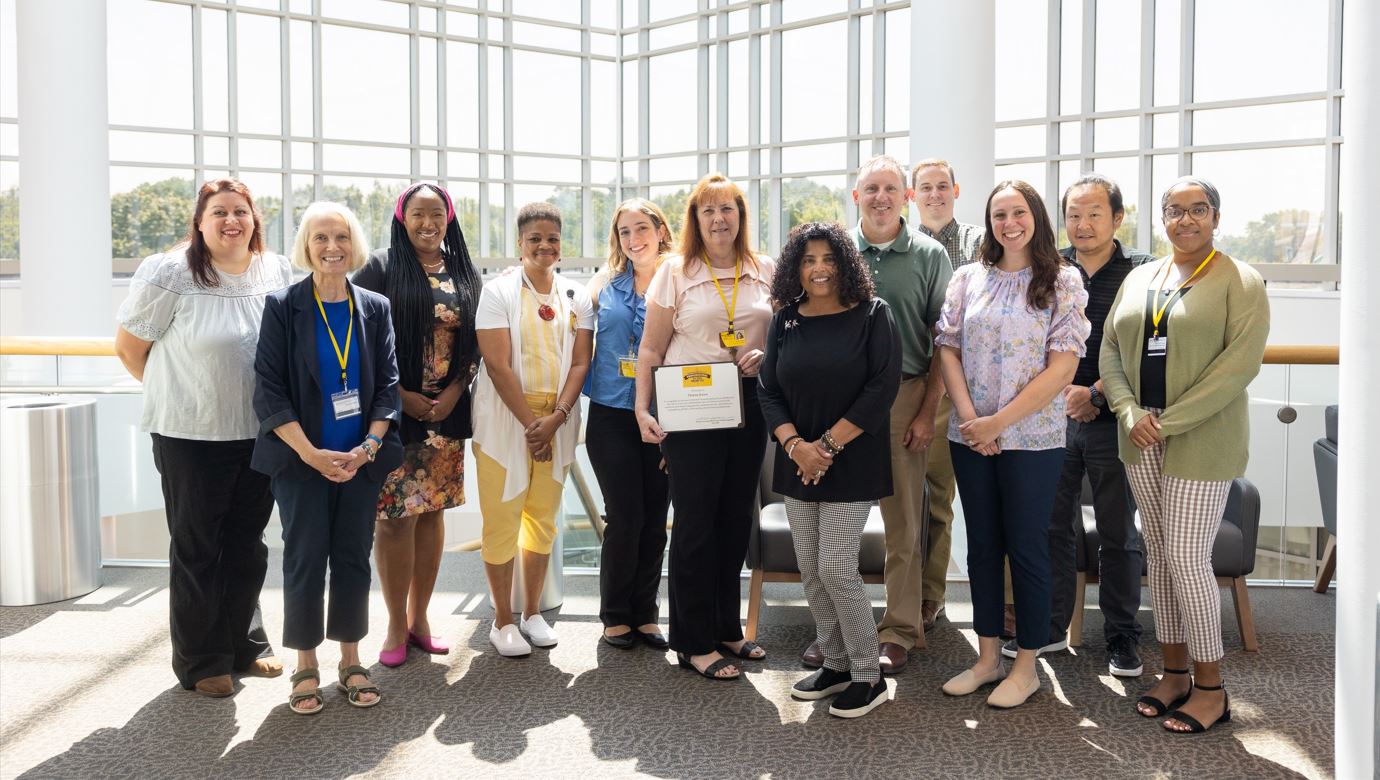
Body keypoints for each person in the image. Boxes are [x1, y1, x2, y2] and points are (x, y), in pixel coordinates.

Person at [1101, 176, 1269, 733]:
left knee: (1189, 559)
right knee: (1161, 552)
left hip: (1200, 438)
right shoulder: (1141, 276)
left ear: (1216, 218)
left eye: (1198, 209)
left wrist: (1167, 421)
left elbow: (1236, 369)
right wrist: (1128, 412)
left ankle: (1211, 688)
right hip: (1140, 435)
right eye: (1175, 210)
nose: (1186, 220)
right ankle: (1173, 674)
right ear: (1162, 218)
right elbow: (1108, 349)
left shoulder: (1238, 281)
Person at [114, 178, 293, 698]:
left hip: (259, 433)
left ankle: (247, 643)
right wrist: (179, 392)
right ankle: (201, 660)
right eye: (219, 212)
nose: (231, 220)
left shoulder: (275, 269)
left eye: (241, 211)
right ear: (200, 221)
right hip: (189, 434)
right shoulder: (171, 272)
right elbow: (130, 348)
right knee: (198, 547)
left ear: (254, 219)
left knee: (248, 544)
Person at [935, 180, 1090, 709]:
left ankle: (1026, 666)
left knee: (1026, 547)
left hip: (1032, 439)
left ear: (1036, 217)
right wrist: (971, 417)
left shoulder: (1063, 280)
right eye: (999, 214)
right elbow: (948, 349)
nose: (1009, 223)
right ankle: (987, 658)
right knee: (981, 546)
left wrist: (999, 420)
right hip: (971, 434)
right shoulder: (967, 278)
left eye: (1018, 212)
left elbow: (1064, 366)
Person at [252, 201, 403, 714]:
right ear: (306, 246)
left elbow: (388, 387)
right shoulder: (282, 307)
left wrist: (368, 449)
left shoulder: (375, 307)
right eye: (320, 238)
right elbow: (270, 391)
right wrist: (312, 454)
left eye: (340, 236)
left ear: (353, 244)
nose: (332, 247)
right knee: (304, 558)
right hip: (301, 461)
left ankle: (351, 659)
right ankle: (305, 664)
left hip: (360, 462)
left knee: (352, 558)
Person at [1000, 173, 1155, 674]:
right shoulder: (1048, 267)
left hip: (1115, 419)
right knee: (1051, 527)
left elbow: (1142, 349)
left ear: (1118, 217)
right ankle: (1047, 628)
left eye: (1094, 214)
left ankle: (1121, 637)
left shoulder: (1142, 272)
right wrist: (1065, 395)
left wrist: (1093, 393)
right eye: (1073, 215)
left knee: (1118, 532)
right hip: (1051, 418)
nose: (1083, 224)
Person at [635, 173, 774, 681]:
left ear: (741, 217)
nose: (719, 219)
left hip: (748, 403)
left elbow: (782, 336)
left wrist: (767, 355)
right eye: (708, 211)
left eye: (728, 210)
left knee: (736, 518)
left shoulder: (765, 270)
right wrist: (642, 410)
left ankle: (725, 627)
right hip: (690, 404)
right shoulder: (675, 272)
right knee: (695, 521)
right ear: (695, 220)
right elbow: (650, 348)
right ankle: (693, 641)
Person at [760, 222, 901, 718]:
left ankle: (869, 673)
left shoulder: (873, 315)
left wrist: (825, 446)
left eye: (827, 259)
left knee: (836, 566)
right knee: (812, 572)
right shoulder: (785, 321)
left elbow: (882, 388)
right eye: (807, 260)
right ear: (795, 268)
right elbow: (768, 391)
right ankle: (836, 663)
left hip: (852, 462)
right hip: (798, 463)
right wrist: (796, 446)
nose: (818, 269)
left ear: (844, 262)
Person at [352, 183, 482, 667]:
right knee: (392, 522)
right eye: (418, 214)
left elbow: (475, 344)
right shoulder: (381, 267)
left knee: (432, 515)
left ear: (449, 218)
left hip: (446, 416)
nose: (428, 223)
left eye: (437, 214)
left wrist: (452, 393)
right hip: (393, 415)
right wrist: (402, 397)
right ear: (401, 218)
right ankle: (392, 622)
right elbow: (359, 341)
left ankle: (420, 617)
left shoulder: (463, 270)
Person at [832, 155, 951, 674]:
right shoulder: (834, 255)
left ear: (906, 197)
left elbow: (945, 343)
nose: (880, 197)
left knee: (903, 521)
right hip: (841, 403)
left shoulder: (928, 255)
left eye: (890, 188)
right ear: (856, 197)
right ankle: (835, 626)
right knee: (836, 519)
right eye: (870, 189)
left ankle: (901, 628)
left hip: (904, 398)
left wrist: (928, 411)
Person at [472, 202, 594, 657]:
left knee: (542, 520)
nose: (544, 246)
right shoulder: (498, 291)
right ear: (520, 244)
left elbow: (581, 360)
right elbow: (497, 365)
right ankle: (502, 620)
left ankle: (532, 614)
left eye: (552, 239)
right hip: (509, 421)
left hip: (556, 420)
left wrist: (556, 419)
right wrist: (531, 425)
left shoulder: (574, 295)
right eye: (534, 239)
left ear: (561, 245)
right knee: (501, 520)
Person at [584, 199, 674, 650]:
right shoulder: (604, 283)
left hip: (663, 414)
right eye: (624, 232)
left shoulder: (680, 279)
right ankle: (616, 613)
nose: (634, 238)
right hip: (610, 413)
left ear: (660, 230)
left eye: (642, 228)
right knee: (625, 514)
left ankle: (646, 613)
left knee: (656, 517)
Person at [911, 158, 984, 634]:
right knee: (932, 501)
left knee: (986, 503)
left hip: (982, 395)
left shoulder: (982, 242)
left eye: (943, 186)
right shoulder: (905, 246)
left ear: (955, 190)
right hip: (927, 391)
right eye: (925, 188)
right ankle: (927, 598)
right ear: (912, 196)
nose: (935, 194)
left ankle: (1005, 606)